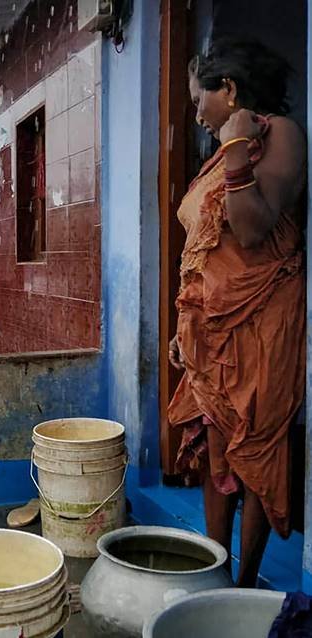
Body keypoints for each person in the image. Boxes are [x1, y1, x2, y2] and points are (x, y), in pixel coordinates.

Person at [168, 37, 306, 588]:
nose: (196, 110)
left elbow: (250, 230)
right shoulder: (224, 147)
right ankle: (213, 573)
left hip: (261, 327)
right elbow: (205, 248)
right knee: (214, 452)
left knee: (254, 454)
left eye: (200, 96)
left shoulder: (280, 136)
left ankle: (243, 586)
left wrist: (237, 147)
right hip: (212, 335)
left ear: (229, 90)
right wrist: (188, 328)